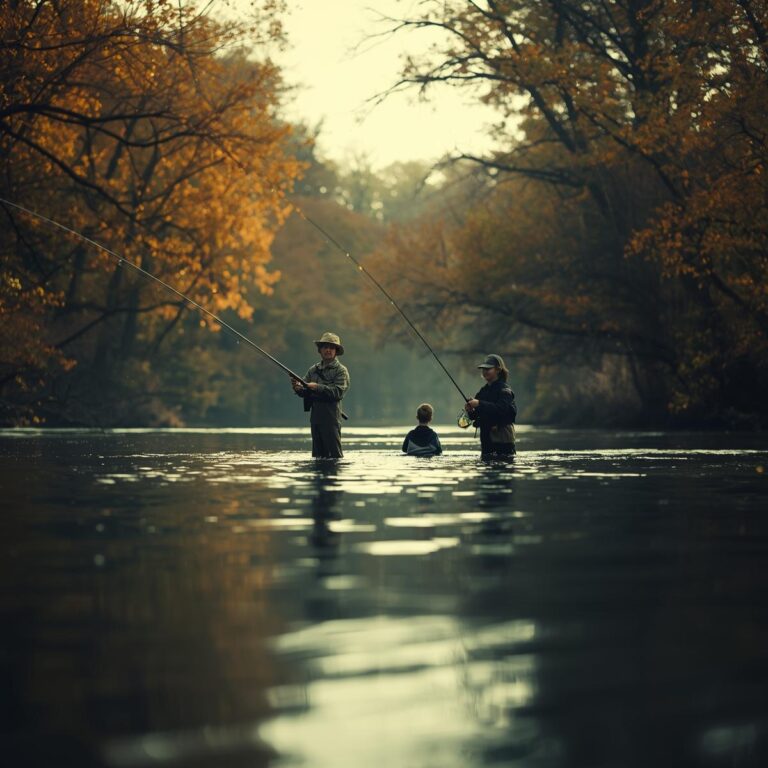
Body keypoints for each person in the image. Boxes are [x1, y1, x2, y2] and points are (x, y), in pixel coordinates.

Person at [292, 332, 350, 458]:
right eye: (325, 347)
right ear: (320, 350)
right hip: (315, 418)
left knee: (334, 457)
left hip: (331, 418)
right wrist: (297, 388)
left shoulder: (341, 370)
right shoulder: (313, 370)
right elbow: (304, 391)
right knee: (317, 457)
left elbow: (338, 392)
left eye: (331, 347)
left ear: (336, 351)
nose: (328, 350)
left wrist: (317, 387)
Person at [464, 354, 517, 456]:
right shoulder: (483, 391)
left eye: (488, 369)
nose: (484, 371)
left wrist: (479, 403)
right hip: (486, 439)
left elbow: (501, 409)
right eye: (483, 369)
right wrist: (470, 410)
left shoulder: (505, 389)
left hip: (503, 439)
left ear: (498, 370)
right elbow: (475, 416)